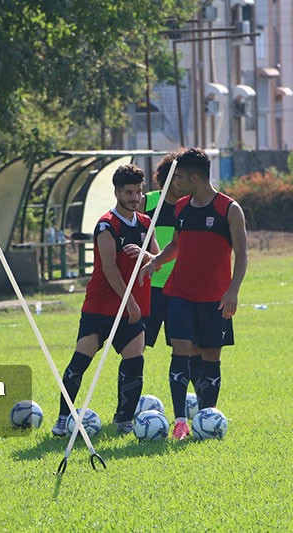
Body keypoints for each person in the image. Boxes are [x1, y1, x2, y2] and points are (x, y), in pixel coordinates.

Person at [141, 147, 248, 440]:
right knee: (181, 349)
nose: (175, 183)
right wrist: (156, 261)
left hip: (215, 298)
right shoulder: (181, 207)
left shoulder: (229, 209)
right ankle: (180, 422)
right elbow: (176, 245)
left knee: (210, 354)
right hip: (180, 294)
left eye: (179, 178)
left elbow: (242, 254)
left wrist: (233, 291)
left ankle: (206, 416)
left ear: (195, 178)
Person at [51, 164, 159, 437]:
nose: (135, 197)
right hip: (101, 307)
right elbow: (109, 269)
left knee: (134, 361)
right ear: (117, 192)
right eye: (129, 192)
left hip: (133, 308)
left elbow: (157, 260)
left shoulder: (146, 224)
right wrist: (129, 301)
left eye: (138, 191)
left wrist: (145, 255)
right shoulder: (106, 225)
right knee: (81, 361)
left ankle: (124, 420)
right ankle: (63, 418)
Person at [138, 150, 202, 391]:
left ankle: (202, 401)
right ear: (166, 178)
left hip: (182, 290)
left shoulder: (193, 206)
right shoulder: (147, 202)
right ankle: (129, 404)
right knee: (136, 347)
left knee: (189, 348)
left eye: (183, 177)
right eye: (177, 177)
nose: (180, 183)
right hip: (150, 288)